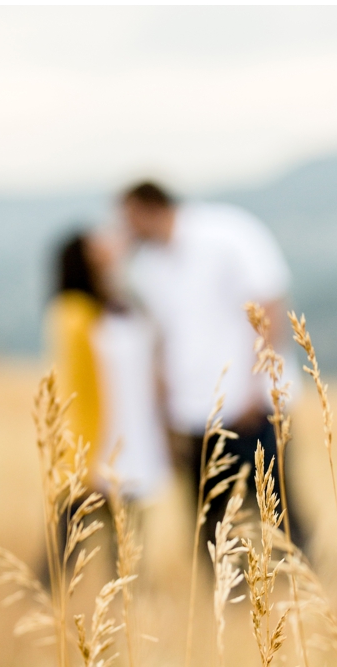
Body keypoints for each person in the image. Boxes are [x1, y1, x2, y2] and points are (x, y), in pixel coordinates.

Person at [119, 180, 308, 558]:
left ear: (147, 208)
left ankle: (302, 591)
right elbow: (156, 341)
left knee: (278, 510)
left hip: (250, 408)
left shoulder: (227, 233)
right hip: (191, 416)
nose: (125, 228)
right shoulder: (146, 266)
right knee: (213, 524)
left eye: (128, 218)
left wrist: (260, 390)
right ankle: (229, 607)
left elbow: (268, 306)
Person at [42, 228, 173, 577]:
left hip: (130, 436)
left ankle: (125, 603)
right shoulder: (73, 313)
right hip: (94, 441)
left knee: (125, 542)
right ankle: (49, 598)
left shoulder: (118, 304)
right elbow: (77, 387)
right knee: (65, 545)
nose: (108, 248)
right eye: (97, 247)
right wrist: (81, 453)